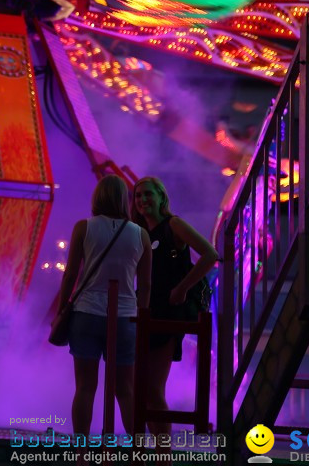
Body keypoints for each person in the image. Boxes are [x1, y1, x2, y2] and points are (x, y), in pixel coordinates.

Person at [53, 175, 151, 437]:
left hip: (86, 313)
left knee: (85, 387)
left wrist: (62, 308)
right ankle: (136, 451)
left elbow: (71, 273)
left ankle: (82, 452)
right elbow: (146, 284)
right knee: (125, 390)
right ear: (124, 199)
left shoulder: (83, 228)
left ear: (97, 197)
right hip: (125, 317)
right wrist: (141, 318)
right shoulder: (140, 234)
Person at [130, 176, 219, 440]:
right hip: (145, 311)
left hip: (168, 312)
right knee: (140, 389)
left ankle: (163, 453)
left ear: (161, 197)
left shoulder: (173, 225)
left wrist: (182, 288)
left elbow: (210, 254)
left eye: (148, 194)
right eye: (138, 196)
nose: (143, 200)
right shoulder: (139, 232)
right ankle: (157, 449)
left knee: (153, 388)